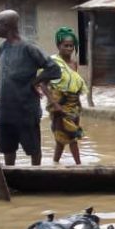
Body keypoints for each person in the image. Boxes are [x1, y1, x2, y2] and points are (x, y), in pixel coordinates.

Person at [0, 9, 60, 166]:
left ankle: (36, 177)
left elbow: (54, 69)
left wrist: (35, 81)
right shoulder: (2, 48)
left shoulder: (29, 47)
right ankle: (11, 178)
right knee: (7, 149)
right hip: (5, 110)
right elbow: (4, 75)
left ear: (7, 25)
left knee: (33, 149)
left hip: (26, 110)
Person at [47, 27, 87, 165]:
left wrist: (79, 103)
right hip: (60, 106)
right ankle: (79, 166)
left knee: (62, 139)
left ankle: (54, 164)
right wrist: (54, 103)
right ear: (58, 46)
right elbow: (42, 84)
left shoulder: (74, 63)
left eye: (71, 46)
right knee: (72, 136)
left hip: (74, 105)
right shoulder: (53, 63)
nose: (69, 48)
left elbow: (74, 85)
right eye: (66, 45)